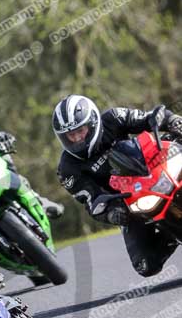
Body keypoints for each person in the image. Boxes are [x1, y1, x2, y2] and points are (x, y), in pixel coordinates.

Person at [53, 95, 182, 277]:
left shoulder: (114, 118)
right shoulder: (67, 169)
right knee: (145, 265)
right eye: (70, 135)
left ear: (92, 122)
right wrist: (112, 213)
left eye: (80, 131)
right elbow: (92, 201)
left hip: (155, 169)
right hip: (130, 203)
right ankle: (171, 235)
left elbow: (149, 118)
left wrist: (172, 120)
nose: (77, 139)